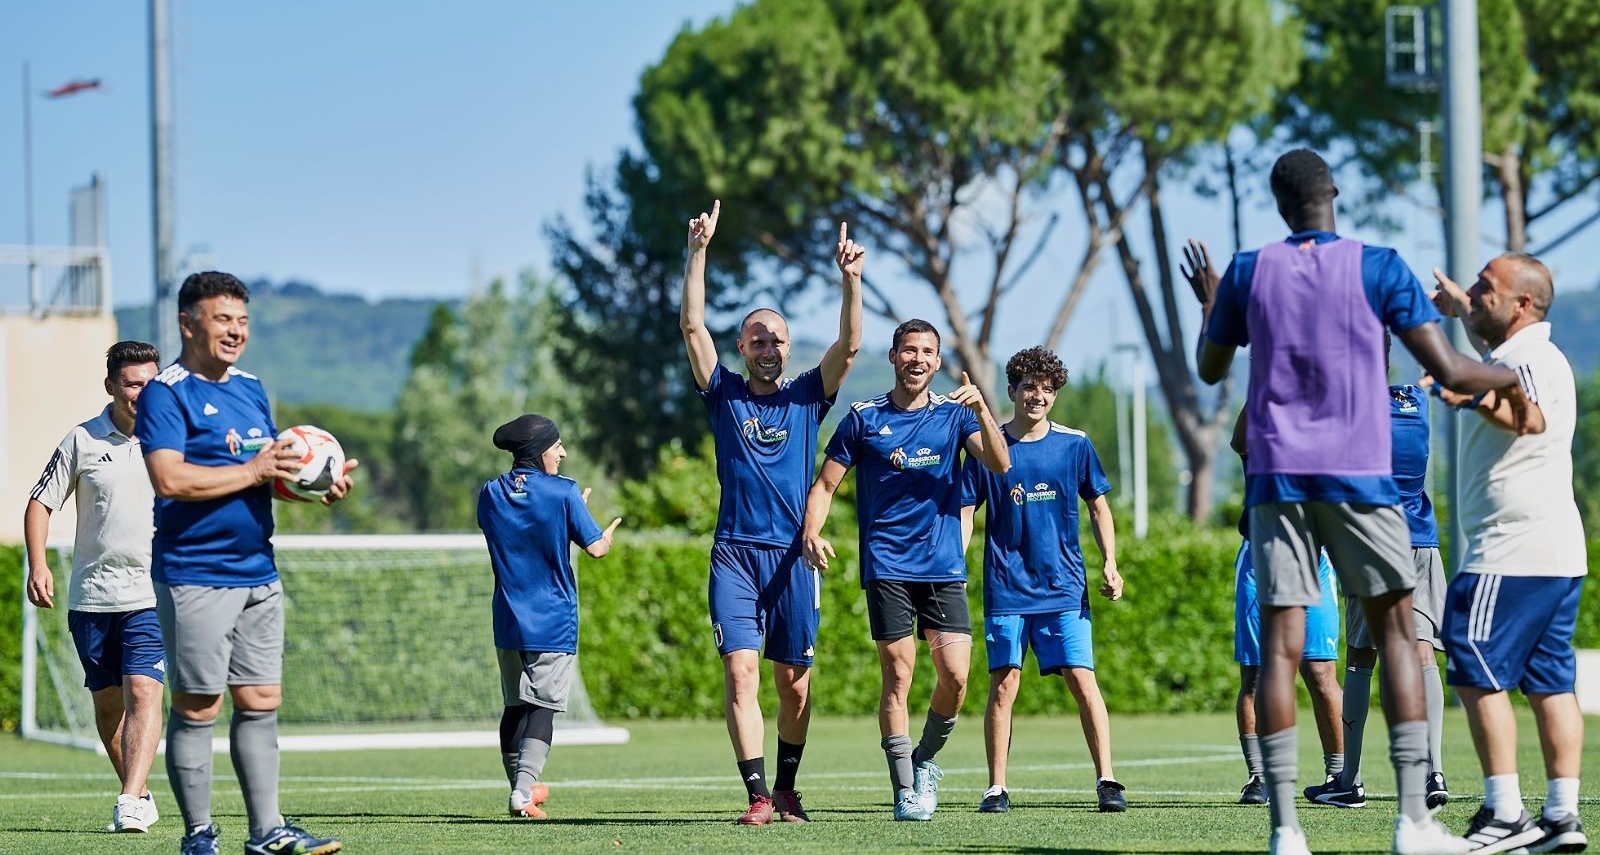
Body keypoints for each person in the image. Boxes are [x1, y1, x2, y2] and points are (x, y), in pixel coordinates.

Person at [1185, 148, 1526, 855]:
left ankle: (1285, 830)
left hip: (1279, 479)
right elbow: (1449, 368)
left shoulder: (1250, 270)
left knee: (1279, 650)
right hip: (1363, 479)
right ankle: (1412, 821)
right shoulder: (1380, 264)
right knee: (1400, 636)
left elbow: (1211, 366)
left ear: (1279, 206)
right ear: (1333, 193)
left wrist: (1217, 305)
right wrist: (1514, 376)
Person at [136, 271, 358, 855]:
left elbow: (267, 469)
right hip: (194, 574)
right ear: (188, 324)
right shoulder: (166, 391)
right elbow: (169, 477)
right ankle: (200, 838)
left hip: (258, 571)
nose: (235, 331)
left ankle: (267, 834)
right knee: (198, 706)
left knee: (261, 703)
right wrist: (257, 472)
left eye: (242, 320)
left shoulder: (253, 388)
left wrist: (315, 485)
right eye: (222, 319)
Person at [680, 199, 863, 824]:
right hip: (734, 553)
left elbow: (852, 343)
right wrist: (698, 252)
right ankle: (757, 796)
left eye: (777, 340)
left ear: (789, 347)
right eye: (757, 339)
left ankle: (788, 786)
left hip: (793, 558)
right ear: (742, 345)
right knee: (740, 674)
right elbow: (691, 329)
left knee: (796, 683)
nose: (768, 347)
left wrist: (850, 280)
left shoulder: (812, 395)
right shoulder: (724, 394)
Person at [802, 318, 1010, 821]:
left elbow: (1001, 464)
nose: (917, 359)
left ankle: (924, 760)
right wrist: (812, 531)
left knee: (956, 679)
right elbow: (826, 485)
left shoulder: (956, 416)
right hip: (888, 565)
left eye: (927, 352)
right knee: (898, 674)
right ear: (894, 357)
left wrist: (982, 408)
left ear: (937, 363)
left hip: (942, 567)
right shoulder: (863, 418)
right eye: (909, 350)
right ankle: (903, 790)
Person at [1430, 254, 1587, 855]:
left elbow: (1532, 418)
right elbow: (1504, 377)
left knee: (1471, 659)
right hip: (1552, 551)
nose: (1473, 294)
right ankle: (1561, 818)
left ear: (1522, 304)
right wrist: (1458, 315)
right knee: (1550, 683)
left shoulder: (1527, 360)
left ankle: (1505, 814)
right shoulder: (1524, 354)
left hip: (1511, 546)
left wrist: (1466, 394)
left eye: (1484, 289)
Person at [957, 346, 1127, 814]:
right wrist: (956, 562)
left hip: (1064, 588)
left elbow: (1099, 506)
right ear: (1011, 391)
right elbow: (966, 510)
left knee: (1081, 678)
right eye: (1029, 387)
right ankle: (996, 787)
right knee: (1004, 683)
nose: (1037, 396)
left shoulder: (1075, 444)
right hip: (1006, 588)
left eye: (1047, 390)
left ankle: (1107, 780)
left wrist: (1110, 562)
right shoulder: (987, 448)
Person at [24, 340, 165, 833]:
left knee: (144, 690)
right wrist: (37, 564)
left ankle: (127, 800)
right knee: (108, 706)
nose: (142, 393)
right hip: (91, 597)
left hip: (151, 596)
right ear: (111, 386)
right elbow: (40, 503)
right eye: (132, 383)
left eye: (151, 382)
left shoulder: (172, 438)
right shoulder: (81, 440)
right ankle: (141, 791)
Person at [1305, 346, 1452, 813]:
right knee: (1421, 647)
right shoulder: (1415, 403)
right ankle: (1435, 769)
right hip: (1421, 541)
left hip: (1371, 542)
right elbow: (1422, 386)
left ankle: (1349, 779)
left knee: (1361, 657)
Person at [478, 414, 622, 820]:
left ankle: (521, 788)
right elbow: (595, 549)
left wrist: (565, 513)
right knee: (542, 706)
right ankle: (522, 795)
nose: (563, 452)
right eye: (556, 445)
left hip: (507, 619)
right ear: (540, 450)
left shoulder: (489, 493)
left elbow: (518, 529)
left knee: (514, 706)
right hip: (552, 620)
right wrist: (602, 533)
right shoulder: (564, 492)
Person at [1227, 410, 1346, 808]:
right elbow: (1239, 441)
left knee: (1320, 672)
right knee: (1257, 675)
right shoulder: (1265, 427)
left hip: (1315, 561)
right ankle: (1259, 777)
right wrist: (1261, 378)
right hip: (1260, 559)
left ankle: (1339, 774)